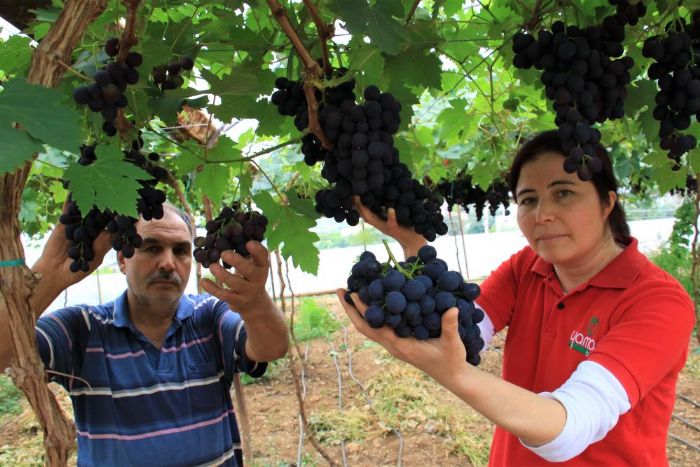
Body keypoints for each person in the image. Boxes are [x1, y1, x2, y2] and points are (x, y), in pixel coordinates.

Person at [337, 130, 696, 465]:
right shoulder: (527, 268)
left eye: (564, 193)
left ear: (606, 203)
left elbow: (569, 427)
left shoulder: (658, 302)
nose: (542, 215)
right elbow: (458, 333)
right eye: (528, 200)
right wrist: (412, 243)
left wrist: (456, 375)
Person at [0, 203, 289, 467]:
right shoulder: (82, 329)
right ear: (123, 261)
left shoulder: (209, 317)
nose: (167, 262)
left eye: (180, 250)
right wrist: (48, 276)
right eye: (151, 248)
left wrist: (255, 304)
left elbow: (272, 347)